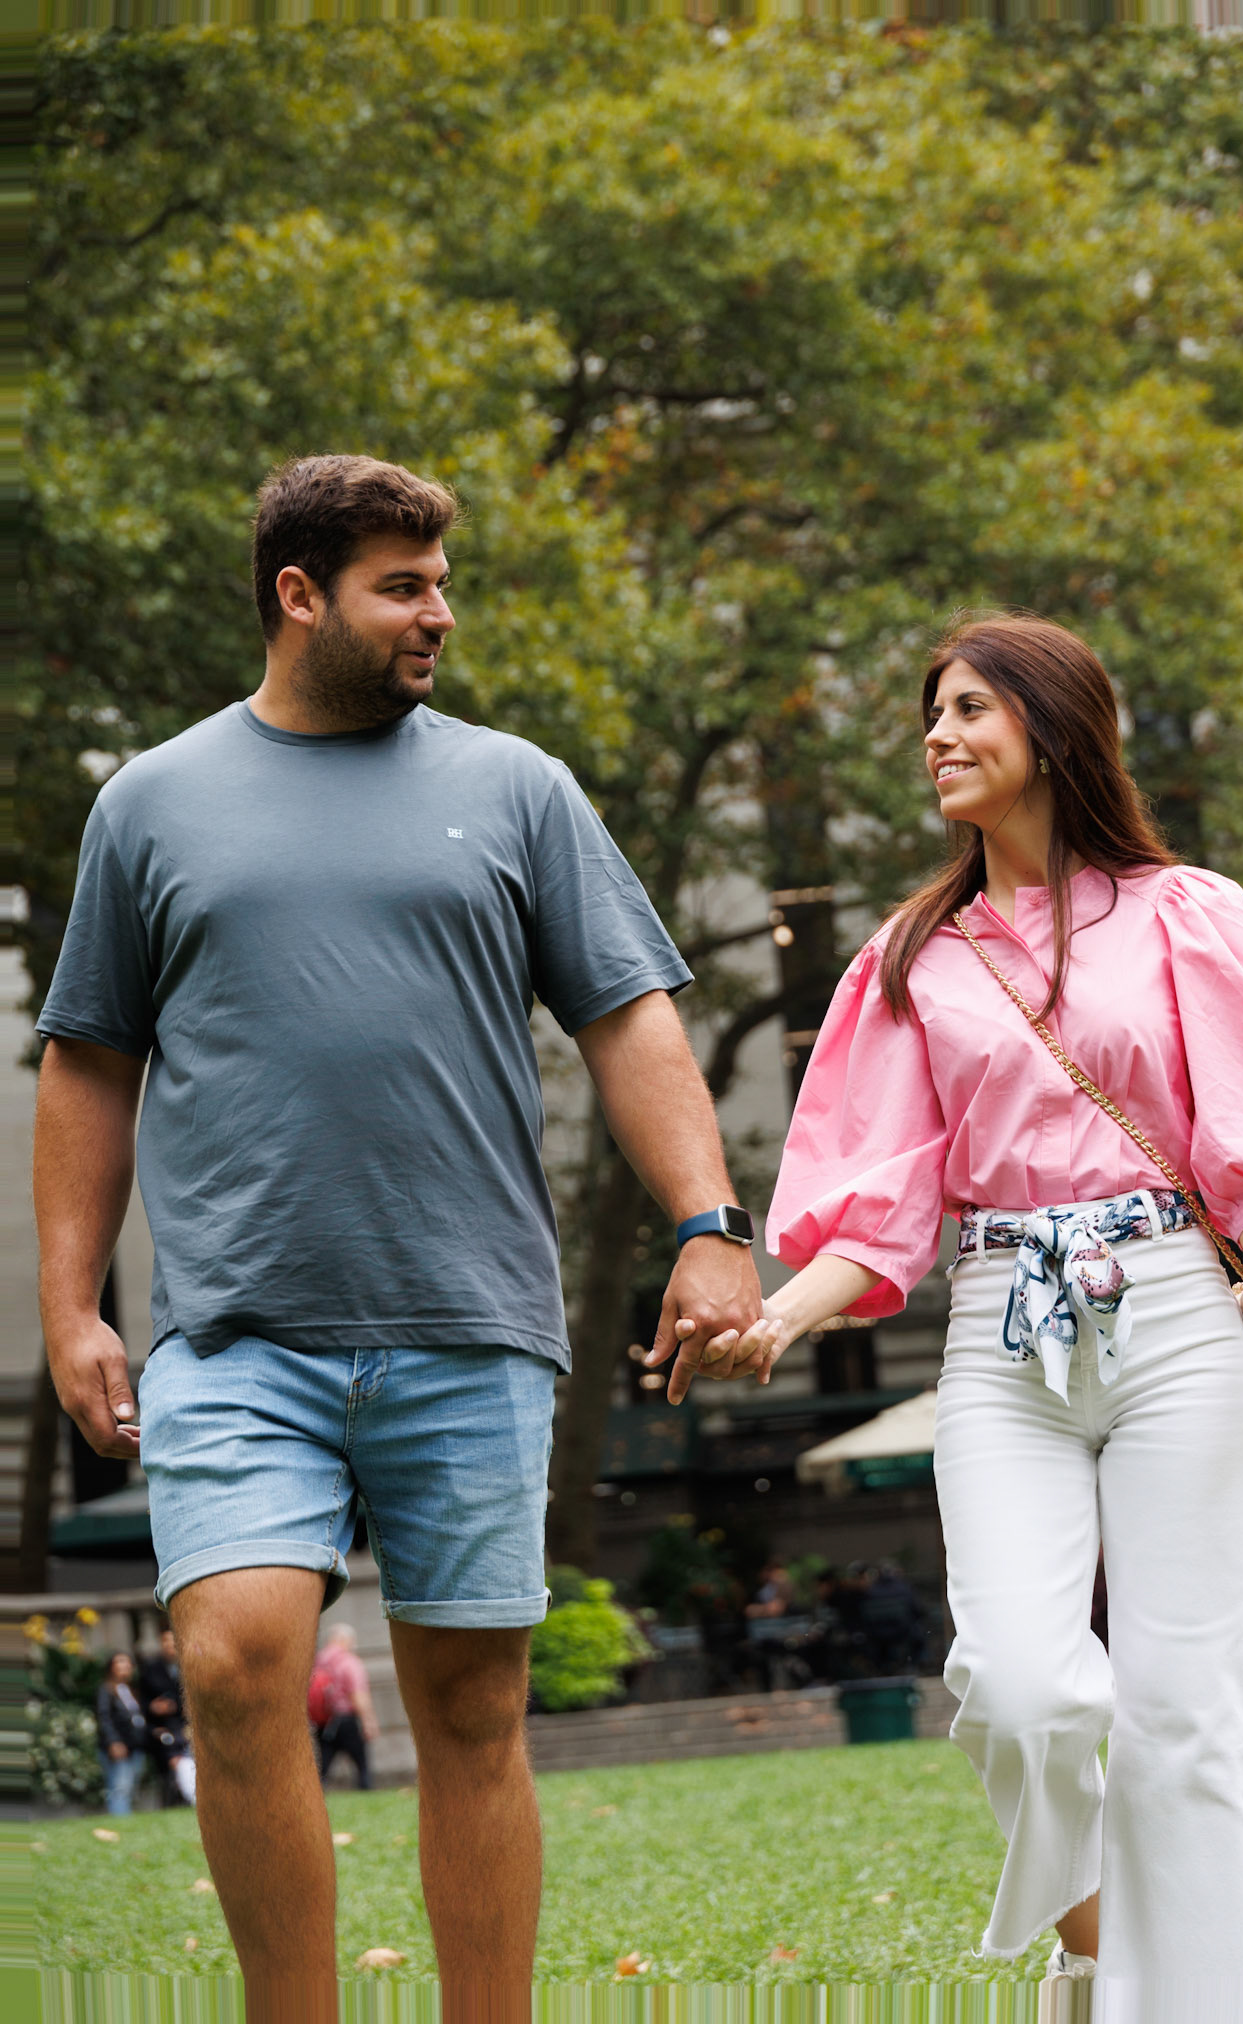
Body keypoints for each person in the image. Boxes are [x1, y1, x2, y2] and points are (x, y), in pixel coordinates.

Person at [33, 454, 768, 2021]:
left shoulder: (516, 789)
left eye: (441, 584)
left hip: (469, 1319)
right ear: (299, 595)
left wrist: (708, 1226)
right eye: (402, 587)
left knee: (473, 1709)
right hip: (236, 1328)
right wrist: (71, 1304)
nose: (438, 613)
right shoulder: (149, 803)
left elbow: (628, 1017)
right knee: (234, 1660)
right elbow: (89, 1059)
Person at [668, 615, 1243, 2022]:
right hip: (1000, 1326)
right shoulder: (912, 957)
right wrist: (780, 1318)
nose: (938, 735)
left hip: (1172, 1310)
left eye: (969, 707)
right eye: (933, 712)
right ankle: (1090, 1934)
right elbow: (882, 1201)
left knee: (1185, 1721)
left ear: (1052, 725)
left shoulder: (1184, 911)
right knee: (1019, 1685)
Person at [309, 1623, 379, 1790]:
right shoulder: (349, 1662)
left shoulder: (318, 1661)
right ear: (343, 1639)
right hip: (346, 1720)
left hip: (324, 1721)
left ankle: (315, 1793)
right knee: (361, 1762)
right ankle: (365, 1788)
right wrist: (369, 1721)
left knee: (322, 1766)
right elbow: (357, 1694)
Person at [140, 1623, 196, 1805]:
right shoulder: (150, 1670)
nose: (170, 1645)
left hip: (191, 1728)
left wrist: (177, 1705)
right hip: (165, 1731)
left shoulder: (191, 1666)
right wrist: (153, 1707)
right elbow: (142, 1703)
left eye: (173, 1641)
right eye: (165, 1641)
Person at [95, 1650, 146, 1815]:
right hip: (119, 1746)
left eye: (127, 1663)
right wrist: (114, 1742)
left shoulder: (130, 1690)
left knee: (130, 1785)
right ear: (111, 1667)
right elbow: (104, 1718)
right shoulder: (106, 1690)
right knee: (119, 1786)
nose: (125, 1666)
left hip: (134, 1745)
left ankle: (125, 1816)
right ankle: (120, 1819)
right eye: (119, 1662)